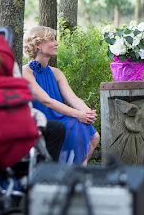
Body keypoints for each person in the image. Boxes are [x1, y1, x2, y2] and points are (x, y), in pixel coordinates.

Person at [22, 26, 100, 165]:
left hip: (61, 115)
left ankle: (73, 172)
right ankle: (71, 175)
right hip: (43, 118)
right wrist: (77, 114)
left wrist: (86, 112)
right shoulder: (26, 72)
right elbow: (46, 101)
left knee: (94, 137)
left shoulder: (56, 72)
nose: (56, 43)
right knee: (78, 128)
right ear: (38, 45)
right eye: (51, 40)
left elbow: (73, 98)